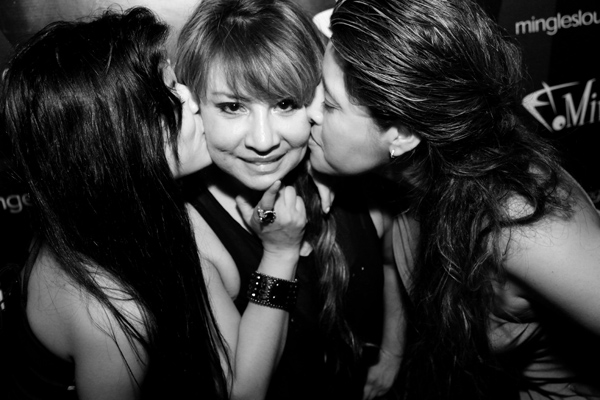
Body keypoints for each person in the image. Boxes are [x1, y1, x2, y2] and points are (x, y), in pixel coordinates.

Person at [0, 6, 307, 400]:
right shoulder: (111, 312)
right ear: (122, 142)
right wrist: (281, 254)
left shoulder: (129, 214)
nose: (192, 101)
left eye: (176, 82)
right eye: (169, 96)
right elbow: (242, 391)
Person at [307, 0, 600, 399]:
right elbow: (396, 260)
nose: (310, 111)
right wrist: (392, 353)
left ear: (401, 134)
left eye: (329, 104)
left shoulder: (523, 225)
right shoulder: (411, 172)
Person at [175, 0, 404, 399]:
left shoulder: (350, 171)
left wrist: (392, 351)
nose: (263, 141)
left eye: (285, 104)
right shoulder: (188, 228)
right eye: (233, 107)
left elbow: (392, 263)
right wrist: (280, 254)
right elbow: (242, 392)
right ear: (194, 106)